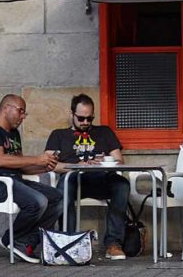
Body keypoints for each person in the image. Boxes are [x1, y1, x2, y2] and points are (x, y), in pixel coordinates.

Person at [0, 94, 62, 263]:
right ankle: (11, 239)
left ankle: (25, 242)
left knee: (58, 198)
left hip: (14, 181)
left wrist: (43, 167)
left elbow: (20, 165)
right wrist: (37, 159)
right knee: (38, 201)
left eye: (25, 113)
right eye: (21, 111)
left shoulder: (14, 134)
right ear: (5, 108)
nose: (23, 116)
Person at [46, 94, 130, 260]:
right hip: (73, 179)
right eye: (81, 118)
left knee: (122, 184)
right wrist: (76, 166)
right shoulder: (58, 135)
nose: (85, 122)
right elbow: (49, 164)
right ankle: (67, 241)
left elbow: (120, 160)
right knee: (65, 186)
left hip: (100, 179)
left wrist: (104, 162)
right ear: (72, 114)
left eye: (89, 118)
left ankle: (113, 243)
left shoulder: (104, 132)